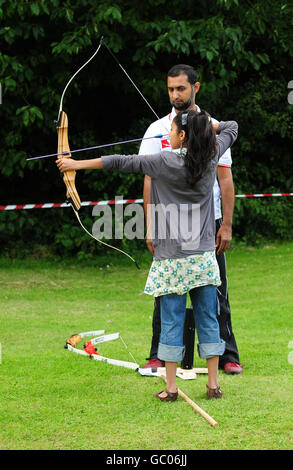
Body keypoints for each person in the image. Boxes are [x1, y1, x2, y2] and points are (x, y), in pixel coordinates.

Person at [56, 110, 238, 400]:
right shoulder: (212, 154)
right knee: (208, 319)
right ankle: (213, 385)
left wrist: (75, 163)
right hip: (203, 258)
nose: (167, 134)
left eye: (173, 129)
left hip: (170, 261)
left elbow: (119, 162)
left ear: (181, 136)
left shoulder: (164, 161)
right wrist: (206, 123)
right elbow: (232, 127)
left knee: (171, 320)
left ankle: (170, 388)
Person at [139, 64, 242, 374]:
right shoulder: (157, 130)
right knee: (165, 290)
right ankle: (159, 353)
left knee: (215, 287)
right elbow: (148, 182)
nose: (175, 95)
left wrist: (226, 224)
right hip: (168, 222)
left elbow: (225, 180)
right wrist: (150, 225)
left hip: (206, 222)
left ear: (196, 87)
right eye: (171, 89)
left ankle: (227, 355)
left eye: (181, 88)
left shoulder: (214, 128)